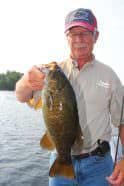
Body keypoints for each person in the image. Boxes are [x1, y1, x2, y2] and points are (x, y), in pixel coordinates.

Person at [15, 8, 124, 186]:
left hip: (99, 164)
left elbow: (122, 121)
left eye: (85, 33)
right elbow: (20, 95)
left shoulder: (110, 76)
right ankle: (63, 163)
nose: (79, 39)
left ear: (96, 36)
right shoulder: (50, 71)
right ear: (67, 37)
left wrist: (123, 159)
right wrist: (27, 81)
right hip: (60, 157)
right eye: (73, 33)